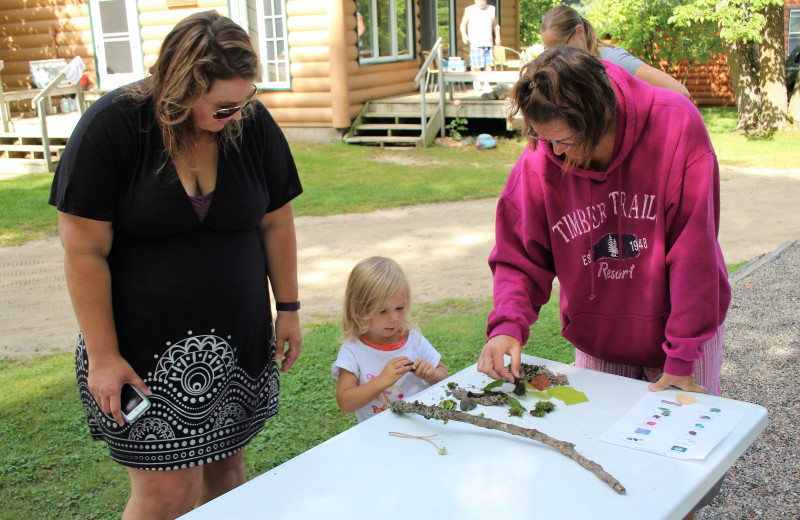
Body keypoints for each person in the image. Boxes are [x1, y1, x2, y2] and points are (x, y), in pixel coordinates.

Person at [49, 10, 303, 519]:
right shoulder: (113, 127)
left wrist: (289, 308)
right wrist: (103, 356)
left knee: (228, 478)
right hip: (142, 356)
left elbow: (276, 222)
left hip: (235, 348)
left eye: (246, 98)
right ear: (182, 87)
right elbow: (83, 250)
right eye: (223, 104)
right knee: (166, 495)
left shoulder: (248, 123)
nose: (237, 113)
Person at [479, 46, 729, 517]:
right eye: (541, 138)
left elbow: (696, 253)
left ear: (601, 115)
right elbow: (519, 255)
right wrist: (507, 325)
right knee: (603, 462)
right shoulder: (543, 157)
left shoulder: (676, 126)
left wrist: (680, 360)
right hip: (600, 338)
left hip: (680, 337)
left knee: (681, 473)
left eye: (565, 140)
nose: (554, 153)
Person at [332, 257, 449, 422]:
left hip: (422, 425)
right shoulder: (353, 351)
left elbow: (444, 376)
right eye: (383, 311)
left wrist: (431, 374)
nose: (393, 318)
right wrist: (382, 380)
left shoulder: (413, 340)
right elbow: (345, 402)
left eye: (399, 308)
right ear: (359, 311)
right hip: (379, 436)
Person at [540, 5, 691, 98]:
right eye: (549, 50)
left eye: (561, 47)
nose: (556, 57)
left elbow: (680, 92)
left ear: (579, 31)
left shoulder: (613, 60)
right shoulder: (572, 68)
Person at [460, 0, 501, 91]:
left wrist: (497, 37)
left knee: (488, 64)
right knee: (476, 65)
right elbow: (463, 24)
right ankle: (477, 80)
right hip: (475, 42)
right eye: (479, 0)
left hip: (488, 42)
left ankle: (486, 84)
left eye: (483, 0)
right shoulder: (469, 10)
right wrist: (464, 34)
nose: (481, 2)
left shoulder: (491, 9)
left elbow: (496, 25)